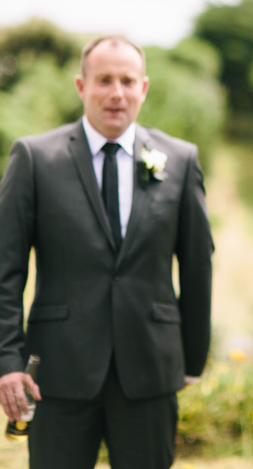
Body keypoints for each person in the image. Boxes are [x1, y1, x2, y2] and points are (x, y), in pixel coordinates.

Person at [0, 36, 214, 468]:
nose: (116, 93)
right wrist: (7, 359)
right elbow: (6, 269)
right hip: (57, 372)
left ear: (144, 88)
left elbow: (197, 266)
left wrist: (191, 359)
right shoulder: (35, 157)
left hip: (151, 370)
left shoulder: (181, 159)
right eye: (104, 81)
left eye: (127, 81)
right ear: (81, 87)